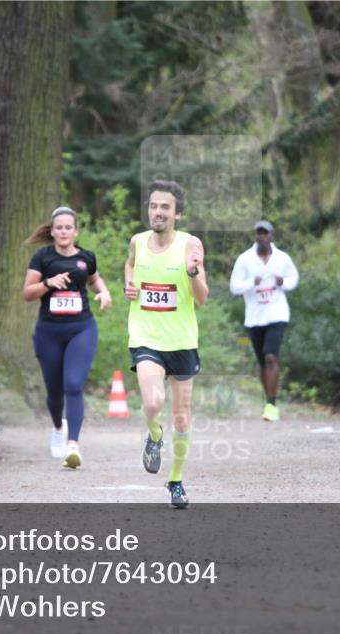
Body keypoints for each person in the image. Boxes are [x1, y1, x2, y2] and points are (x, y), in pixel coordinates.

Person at [124, 180, 208, 508]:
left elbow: (202, 298)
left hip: (182, 340)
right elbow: (130, 264)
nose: (158, 212)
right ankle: (154, 435)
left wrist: (192, 273)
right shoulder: (137, 242)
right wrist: (129, 284)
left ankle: (175, 481)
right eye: (154, 206)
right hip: (145, 334)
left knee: (182, 417)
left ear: (178, 214)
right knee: (154, 403)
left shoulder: (190, 245)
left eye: (165, 207)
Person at [23, 206, 112, 469]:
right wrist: (49, 283)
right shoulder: (42, 258)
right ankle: (57, 428)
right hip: (48, 331)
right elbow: (27, 293)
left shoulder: (86, 257)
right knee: (54, 391)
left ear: (75, 231)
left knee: (73, 383)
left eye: (68, 227)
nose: (63, 231)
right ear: (52, 231)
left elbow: (95, 280)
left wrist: (103, 293)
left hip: (81, 328)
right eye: (58, 227)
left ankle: (73, 445)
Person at [229, 220, 299, 421]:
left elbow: (294, 279)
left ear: (272, 235)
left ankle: (271, 404)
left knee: (271, 357)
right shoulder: (245, 260)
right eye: (259, 233)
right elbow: (234, 286)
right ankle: (268, 399)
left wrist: (282, 282)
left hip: (277, 314)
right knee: (262, 361)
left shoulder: (282, 258)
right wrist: (252, 282)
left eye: (265, 233)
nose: (262, 236)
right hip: (254, 317)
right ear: (255, 236)